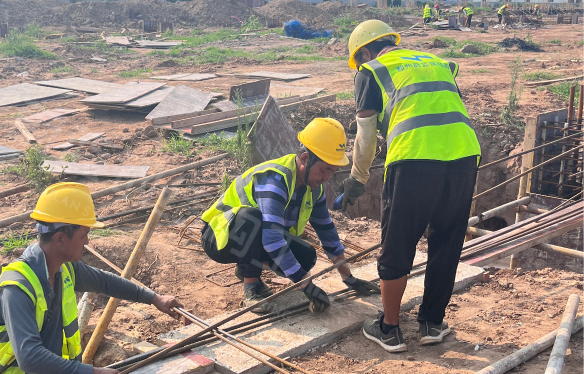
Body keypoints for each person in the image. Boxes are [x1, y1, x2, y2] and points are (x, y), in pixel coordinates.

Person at [0, 182, 184, 374]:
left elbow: (105, 281)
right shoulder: (17, 287)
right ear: (60, 238)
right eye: (84, 234)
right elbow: (30, 357)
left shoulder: (65, 269)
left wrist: (155, 298)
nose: (87, 242)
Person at [338, 20, 480, 353]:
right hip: (464, 155)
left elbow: (366, 135)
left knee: (398, 241)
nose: (358, 68)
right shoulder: (437, 62)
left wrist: (357, 179)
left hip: (414, 157)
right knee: (446, 240)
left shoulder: (371, 70)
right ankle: (432, 323)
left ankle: (389, 329)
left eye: (358, 61)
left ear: (366, 51)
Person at [200, 118, 380, 315]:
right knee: (252, 218)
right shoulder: (275, 180)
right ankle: (251, 288)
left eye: (333, 171)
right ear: (304, 159)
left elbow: (327, 233)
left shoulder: (314, 189)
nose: (327, 178)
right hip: (219, 237)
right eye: (324, 169)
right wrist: (307, 286)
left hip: (248, 240)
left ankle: (247, 266)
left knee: (306, 257)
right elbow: (272, 239)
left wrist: (349, 278)